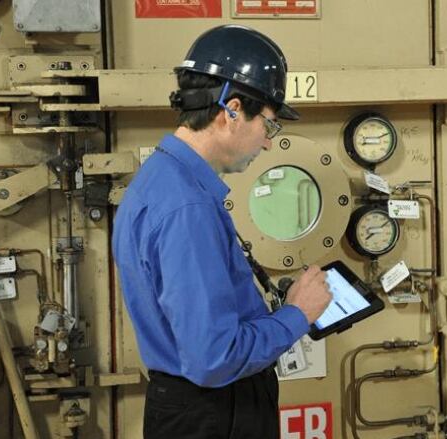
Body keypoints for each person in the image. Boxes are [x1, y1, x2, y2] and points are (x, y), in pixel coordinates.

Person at [112, 25, 333, 439]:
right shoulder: (187, 207)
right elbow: (214, 357)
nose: (268, 143)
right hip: (214, 413)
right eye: (268, 126)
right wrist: (297, 314)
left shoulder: (161, 180)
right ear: (231, 109)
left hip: (194, 408)